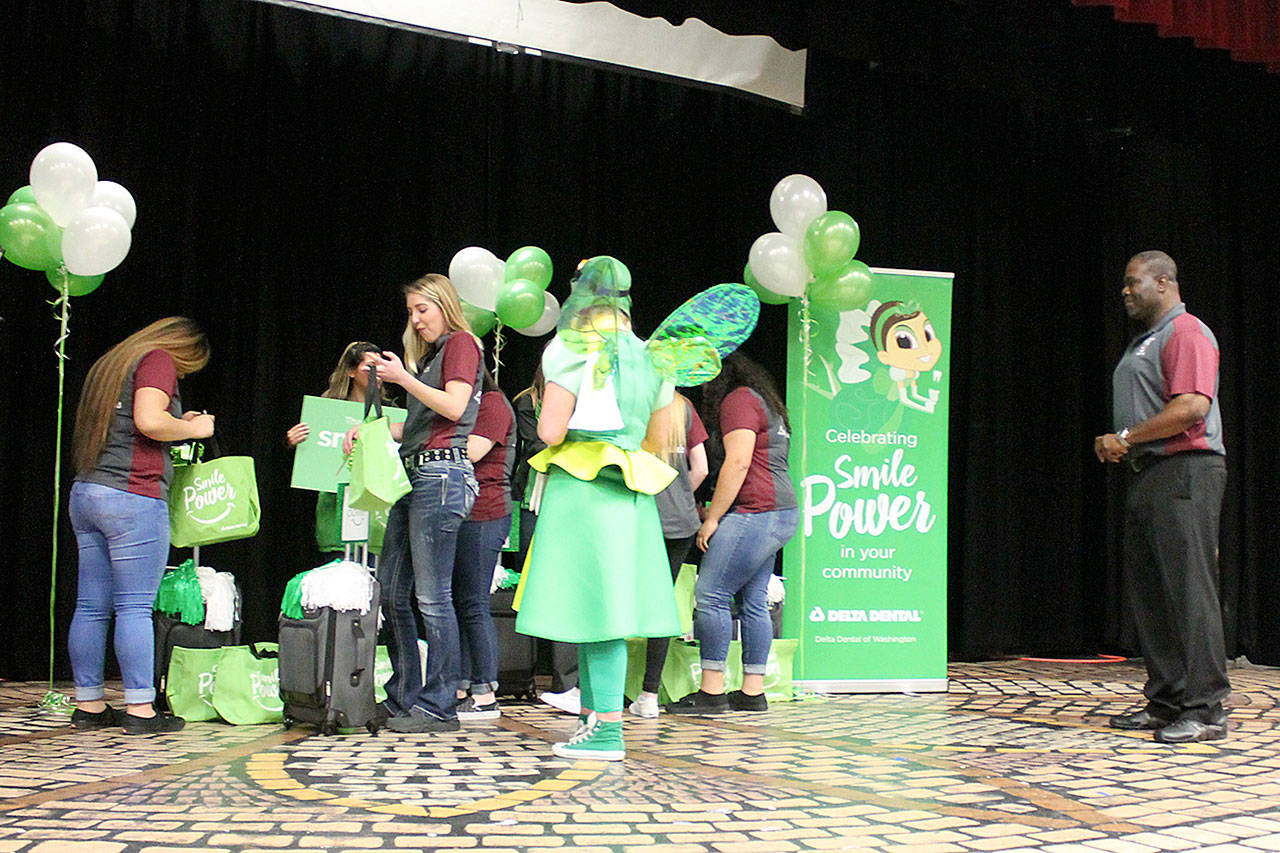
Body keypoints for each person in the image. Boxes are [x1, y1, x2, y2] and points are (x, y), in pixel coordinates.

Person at [515, 256, 681, 761]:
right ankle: (592, 720)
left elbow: (549, 431)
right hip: (628, 487)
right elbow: (659, 439)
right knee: (601, 611)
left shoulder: (569, 346)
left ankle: (607, 730)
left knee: (598, 612)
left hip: (583, 487)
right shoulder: (653, 355)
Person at [1094, 250, 1230, 744]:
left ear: (1164, 282)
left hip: (1186, 471)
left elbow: (1192, 406)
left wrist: (1125, 437)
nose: (1125, 291)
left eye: (1133, 282)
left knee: (1190, 591)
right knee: (1152, 595)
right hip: (1149, 473)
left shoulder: (1186, 331)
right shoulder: (1146, 340)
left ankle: (1205, 708)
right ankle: (1167, 700)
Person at [346, 273, 481, 733]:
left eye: (423, 309)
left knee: (433, 596)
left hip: (442, 475)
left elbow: (455, 407)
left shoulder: (461, 343)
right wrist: (370, 431)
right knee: (392, 590)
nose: (416, 319)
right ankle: (405, 694)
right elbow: (422, 423)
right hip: (418, 473)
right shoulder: (434, 357)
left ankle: (439, 703)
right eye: (411, 312)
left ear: (445, 304)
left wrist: (403, 378)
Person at [68, 317, 215, 734]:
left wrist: (177, 418)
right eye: (186, 368)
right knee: (134, 607)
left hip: (88, 492)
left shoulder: (111, 365)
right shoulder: (158, 359)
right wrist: (193, 428)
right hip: (133, 497)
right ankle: (140, 711)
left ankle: (89, 706)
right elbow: (149, 421)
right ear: (183, 350)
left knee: (91, 607)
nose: (180, 374)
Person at [668, 351, 797, 715]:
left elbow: (738, 463)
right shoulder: (763, 400)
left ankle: (711, 693)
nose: (703, 388)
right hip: (779, 512)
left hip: (756, 513)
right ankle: (752, 693)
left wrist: (712, 519)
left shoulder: (738, 400)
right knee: (753, 601)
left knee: (711, 595)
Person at [629, 391, 708, 718]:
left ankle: (590, 690)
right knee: (660, 604)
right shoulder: (683, 407)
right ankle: (649, 695)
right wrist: (679, 494)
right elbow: (701, 468)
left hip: (640, 517)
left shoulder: (634, 401)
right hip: (681, 522)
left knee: (621, 600)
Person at [285, 341, 388, 553]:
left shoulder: (390, 414)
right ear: (351, 371)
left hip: (376, 515)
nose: (376, 373)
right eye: (370, 367)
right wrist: (294, 441)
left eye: (380, 367)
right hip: (334, 510)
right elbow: (312, 460)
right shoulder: (326, 411)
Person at [453, 369, 515, 721]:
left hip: (486, 511)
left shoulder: (493, 404)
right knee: (461, 601)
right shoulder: (467, 406)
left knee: (475, 602)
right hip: (460, 511)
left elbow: (474, 451)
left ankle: (485, 693)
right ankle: (462, 686)